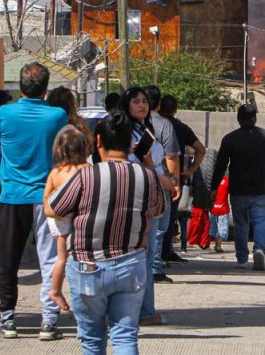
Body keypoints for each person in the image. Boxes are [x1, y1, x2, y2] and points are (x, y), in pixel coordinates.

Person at [49, 110, 165, 354]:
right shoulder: (147, 177)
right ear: (132, 145)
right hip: (131, 264)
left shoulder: (85, 175)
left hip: (88, 265)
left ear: (98, 141)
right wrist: (148, 164)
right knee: (124, 337)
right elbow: (157, 211)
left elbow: (54, 208)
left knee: (92, 340)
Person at [0, 62, 68, 341]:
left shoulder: (4, 112)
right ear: (46, 89)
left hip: (12, 195)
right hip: (47, 198)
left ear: (21, 87)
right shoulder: (57, 116)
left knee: (7, 259)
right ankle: (48, 322)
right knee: (50, 260)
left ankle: (7, 319)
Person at [118, 87, 171, 326]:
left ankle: (145, 309)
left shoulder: (146, 129)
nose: (142, 105)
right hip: (138, 198)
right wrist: (149, 165)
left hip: (154, 196)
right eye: (136, 101)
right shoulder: (124, 133)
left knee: (147, 256)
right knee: (139, 257)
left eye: (145, 102)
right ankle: (142, 311)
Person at [210, 104, 265, 271]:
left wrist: (214, 187)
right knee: (260, 221)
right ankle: (259, 249)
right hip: (260, 190)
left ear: (238, 119)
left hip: (238, 190)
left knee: (241, 224)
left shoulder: (229, 139)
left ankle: (242, 258)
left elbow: (220, 166)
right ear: (255, 118)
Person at [41, 127, 91, 312]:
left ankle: (55, 289)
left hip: (58, 218)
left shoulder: (56, 172)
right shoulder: (87, 169)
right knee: (81, 257)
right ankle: (80, 291)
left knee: (61, 257)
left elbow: (46, 199)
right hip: (79, 217)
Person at [159, 94, 205, 263]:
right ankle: (165, 252)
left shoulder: (148, 124)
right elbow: (201, 150)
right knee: (169, 217)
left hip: (150, 177)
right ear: (175, 109)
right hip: (174, 179)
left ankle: (155, 255)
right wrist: (190, 171)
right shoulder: (181, 127)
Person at [144, 86, 180, 285]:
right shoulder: (165, 124)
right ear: (158, 103)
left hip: (135, 181)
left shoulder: (132, 124)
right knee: (158, 226)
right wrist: (175, 182)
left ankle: (146, 265)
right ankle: (154, 268)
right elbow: (172, 156)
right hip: (158, 181)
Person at [208, 175, 230, 254]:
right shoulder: (227, 180)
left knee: (213, 229)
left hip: (212, 208)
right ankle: (218, 246)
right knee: (222, 228)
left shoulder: (211, 180)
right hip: (223, 208)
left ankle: (216, 245)